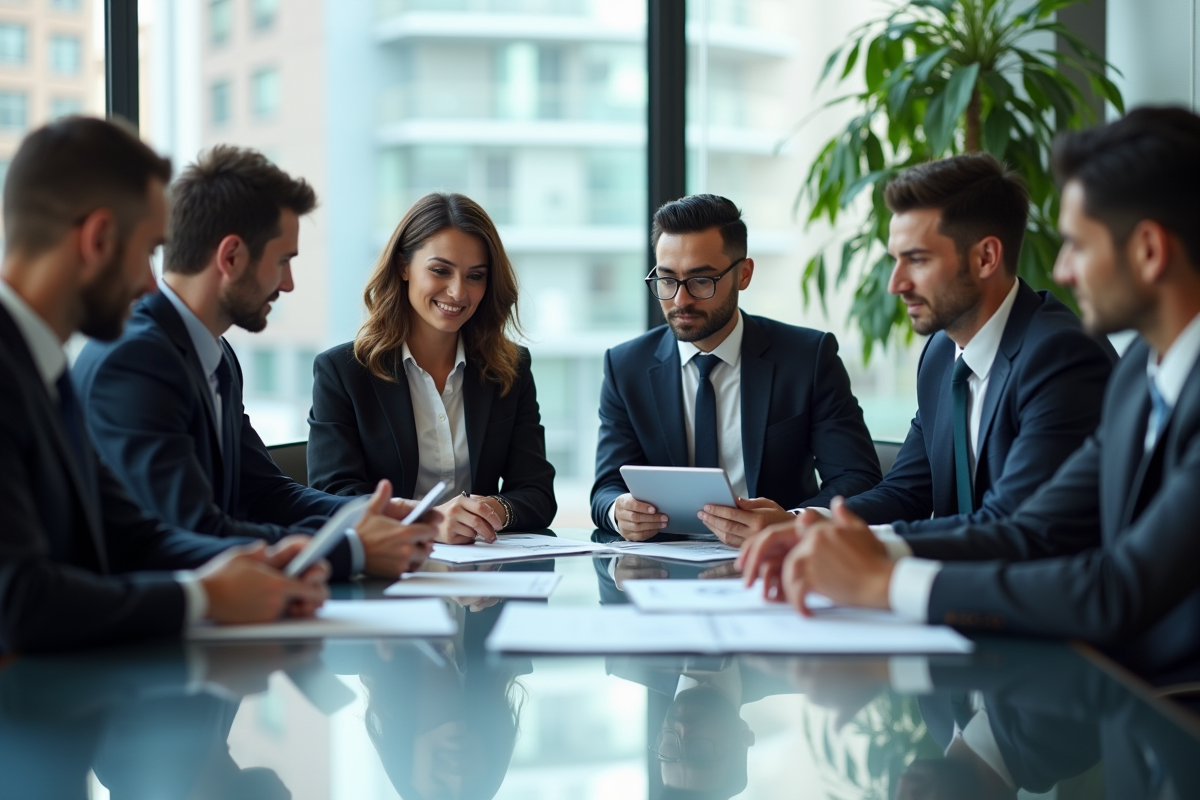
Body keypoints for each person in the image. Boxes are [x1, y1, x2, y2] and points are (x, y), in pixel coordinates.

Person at [740, 106, 1200, 679]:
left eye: (1077, 245)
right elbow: (1030, 526)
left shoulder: (1065, 354)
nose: (1061, 270)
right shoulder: (1140, 373)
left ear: (1149, 251)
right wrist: (845, 540)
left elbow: (1114, 586)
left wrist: (886, 580)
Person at [0, 117, 341, 652]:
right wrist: (201, 599)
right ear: (98, 239)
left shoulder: (42, 369)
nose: (150, 284)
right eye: (148, 251)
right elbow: (17, 600)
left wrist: (253, 566)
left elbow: (129, 535)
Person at [704, 154, 1116, 543]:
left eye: (917, 260)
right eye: (895, 260)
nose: (895, 284)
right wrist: (802, 522)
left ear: (986, 257)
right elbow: (906, 492)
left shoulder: (1060, 356)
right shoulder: (941, 354)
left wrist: (852, 545)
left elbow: (1012, 525)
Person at [73, 146, 435, 579]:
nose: (288, 283)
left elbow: (262, 491)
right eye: (283, 261)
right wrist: (351, 550)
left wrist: (368, 514)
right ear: (231, 257)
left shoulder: (215, 354)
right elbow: (192, 529)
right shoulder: (136, 360)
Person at [590, 193, 881, 544]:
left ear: (743, 274)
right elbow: (606, 488)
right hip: (661, 570)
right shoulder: (626, 366)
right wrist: (619, 510)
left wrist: (792, 522)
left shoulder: (808, 358)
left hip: (778, 563)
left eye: (701, 280)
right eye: (667, 280)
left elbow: (857, 478)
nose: (681, 300)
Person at [307, 192, 556, 543]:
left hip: (481, 575)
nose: (457, 292)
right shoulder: (342, 372)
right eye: (440, 270)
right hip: (388, 571)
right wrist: (425, 520)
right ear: (403, 266)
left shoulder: (509, 369)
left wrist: (495, 510)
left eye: (475, 276)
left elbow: (537, 494)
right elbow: (333, 496)